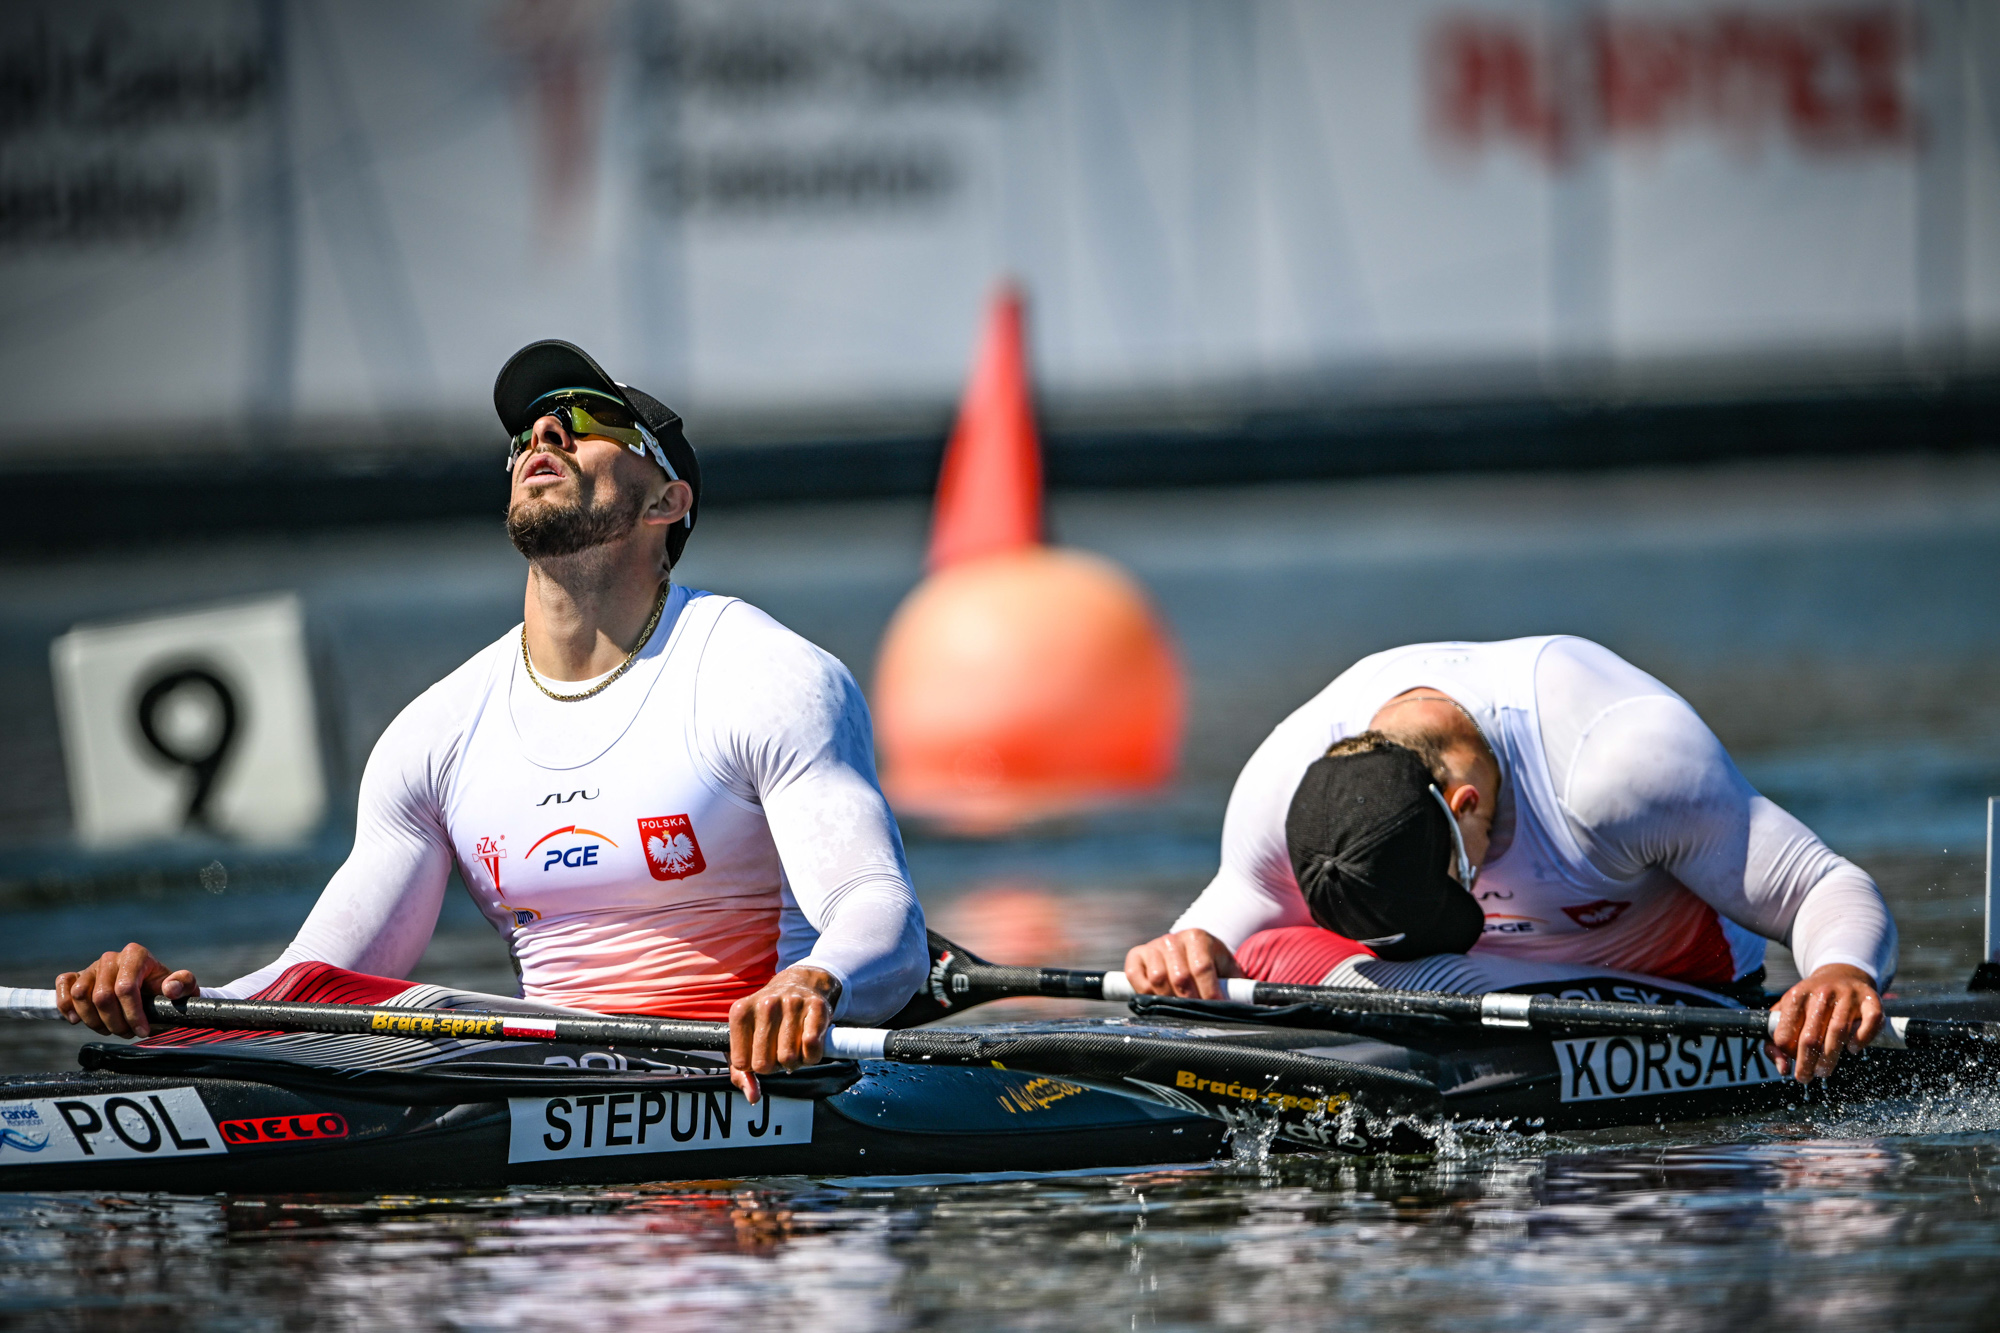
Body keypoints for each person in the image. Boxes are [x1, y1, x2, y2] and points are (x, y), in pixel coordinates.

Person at [56, 340, 928, 1101]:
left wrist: (819, 979)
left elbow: (883, 917)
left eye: (587, 419)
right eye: (527, 431)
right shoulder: (435, 735)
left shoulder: (763, 677)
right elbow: (314, 984)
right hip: (540, 1076)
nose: (543, 433)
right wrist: (178, 1007)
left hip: (751, 1076)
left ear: (667, 502)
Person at [1123, 636, 1895, 1083]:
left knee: (1366, 976)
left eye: (1444, 895)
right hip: (1450, 996)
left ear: (1465, 806)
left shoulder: (1621, 765)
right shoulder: (1286, 780)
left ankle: (1419, 1021)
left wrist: (1838, 973)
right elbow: (1223, 918)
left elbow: (1825, 888)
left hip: (1679, 980)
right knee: (1254, 956)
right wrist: (1183, 954)